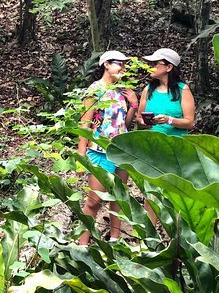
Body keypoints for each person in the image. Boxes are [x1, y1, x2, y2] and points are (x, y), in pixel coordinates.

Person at [77, 50, 138, 245]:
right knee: (94, 201)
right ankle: (82, 245)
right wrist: (81, 156)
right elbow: (85, 124)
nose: (123, 68)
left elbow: (125, 124)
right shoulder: (95, 89)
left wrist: (133, 105)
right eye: (119, 64)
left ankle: (114, 240)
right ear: (106, 65)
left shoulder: (122, 91)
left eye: (124, 65)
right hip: (99, 151)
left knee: (118, 198)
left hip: (121, 151)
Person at [137, 48, 195, 135]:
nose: (150, 67)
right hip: (152, 143)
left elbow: (189, 123)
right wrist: (143, 122)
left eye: (155, 64)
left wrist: (169, 120)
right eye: (150, 64)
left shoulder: (182, 90)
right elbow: (139, 118)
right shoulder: (148, 89)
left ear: (169, 67)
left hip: (176, 143)